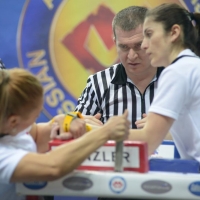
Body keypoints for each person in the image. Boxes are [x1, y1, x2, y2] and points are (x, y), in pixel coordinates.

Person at [0, 68, 130, 200]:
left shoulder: (12, 130)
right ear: (13, 122)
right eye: (35, 116)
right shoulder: (3, 156)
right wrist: (105, 132)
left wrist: (67, 120)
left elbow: (39, 134)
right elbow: (53, 166)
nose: (36, 120)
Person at [127, 3, 200, 161]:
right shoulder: (192, 66)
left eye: (149, 34)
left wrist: (97, 133)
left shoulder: (178, 71)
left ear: (174, 32)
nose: (144, 45)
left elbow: (149, 141)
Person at [75, 6, 164, 130]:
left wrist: (168, 131)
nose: (132, 56)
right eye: (124, 47)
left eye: (138, 45)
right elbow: (72, 125)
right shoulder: (98, 83)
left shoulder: (178, 78)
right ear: (115, 43)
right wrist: (81, 126)